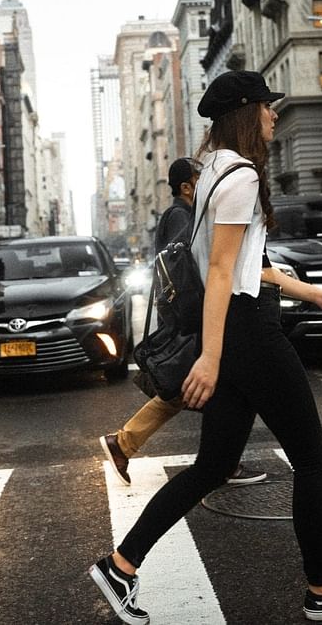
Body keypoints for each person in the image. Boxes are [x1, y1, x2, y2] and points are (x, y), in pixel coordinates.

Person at [90, 71, 322, 624]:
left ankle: (120, 565)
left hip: (237, 329)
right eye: (266, 106)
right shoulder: (241, 177)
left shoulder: (211, 170)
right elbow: (217, 270)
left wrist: (316, 294)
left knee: (213, 465)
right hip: (250, 333)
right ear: (244, 112)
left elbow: (240, 263)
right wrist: (211, 356)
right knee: (310, 461)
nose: (273, 115)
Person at [99, 157, 265, 488]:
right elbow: (187, 266)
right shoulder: (180, 216)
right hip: (192, 318)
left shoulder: (181, 214)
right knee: (210, 388)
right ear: (187, 187)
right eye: (199, 178)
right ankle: (222, 463)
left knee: (187, 391)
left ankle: (125, 443)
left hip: (189, 317)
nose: (206, 183)